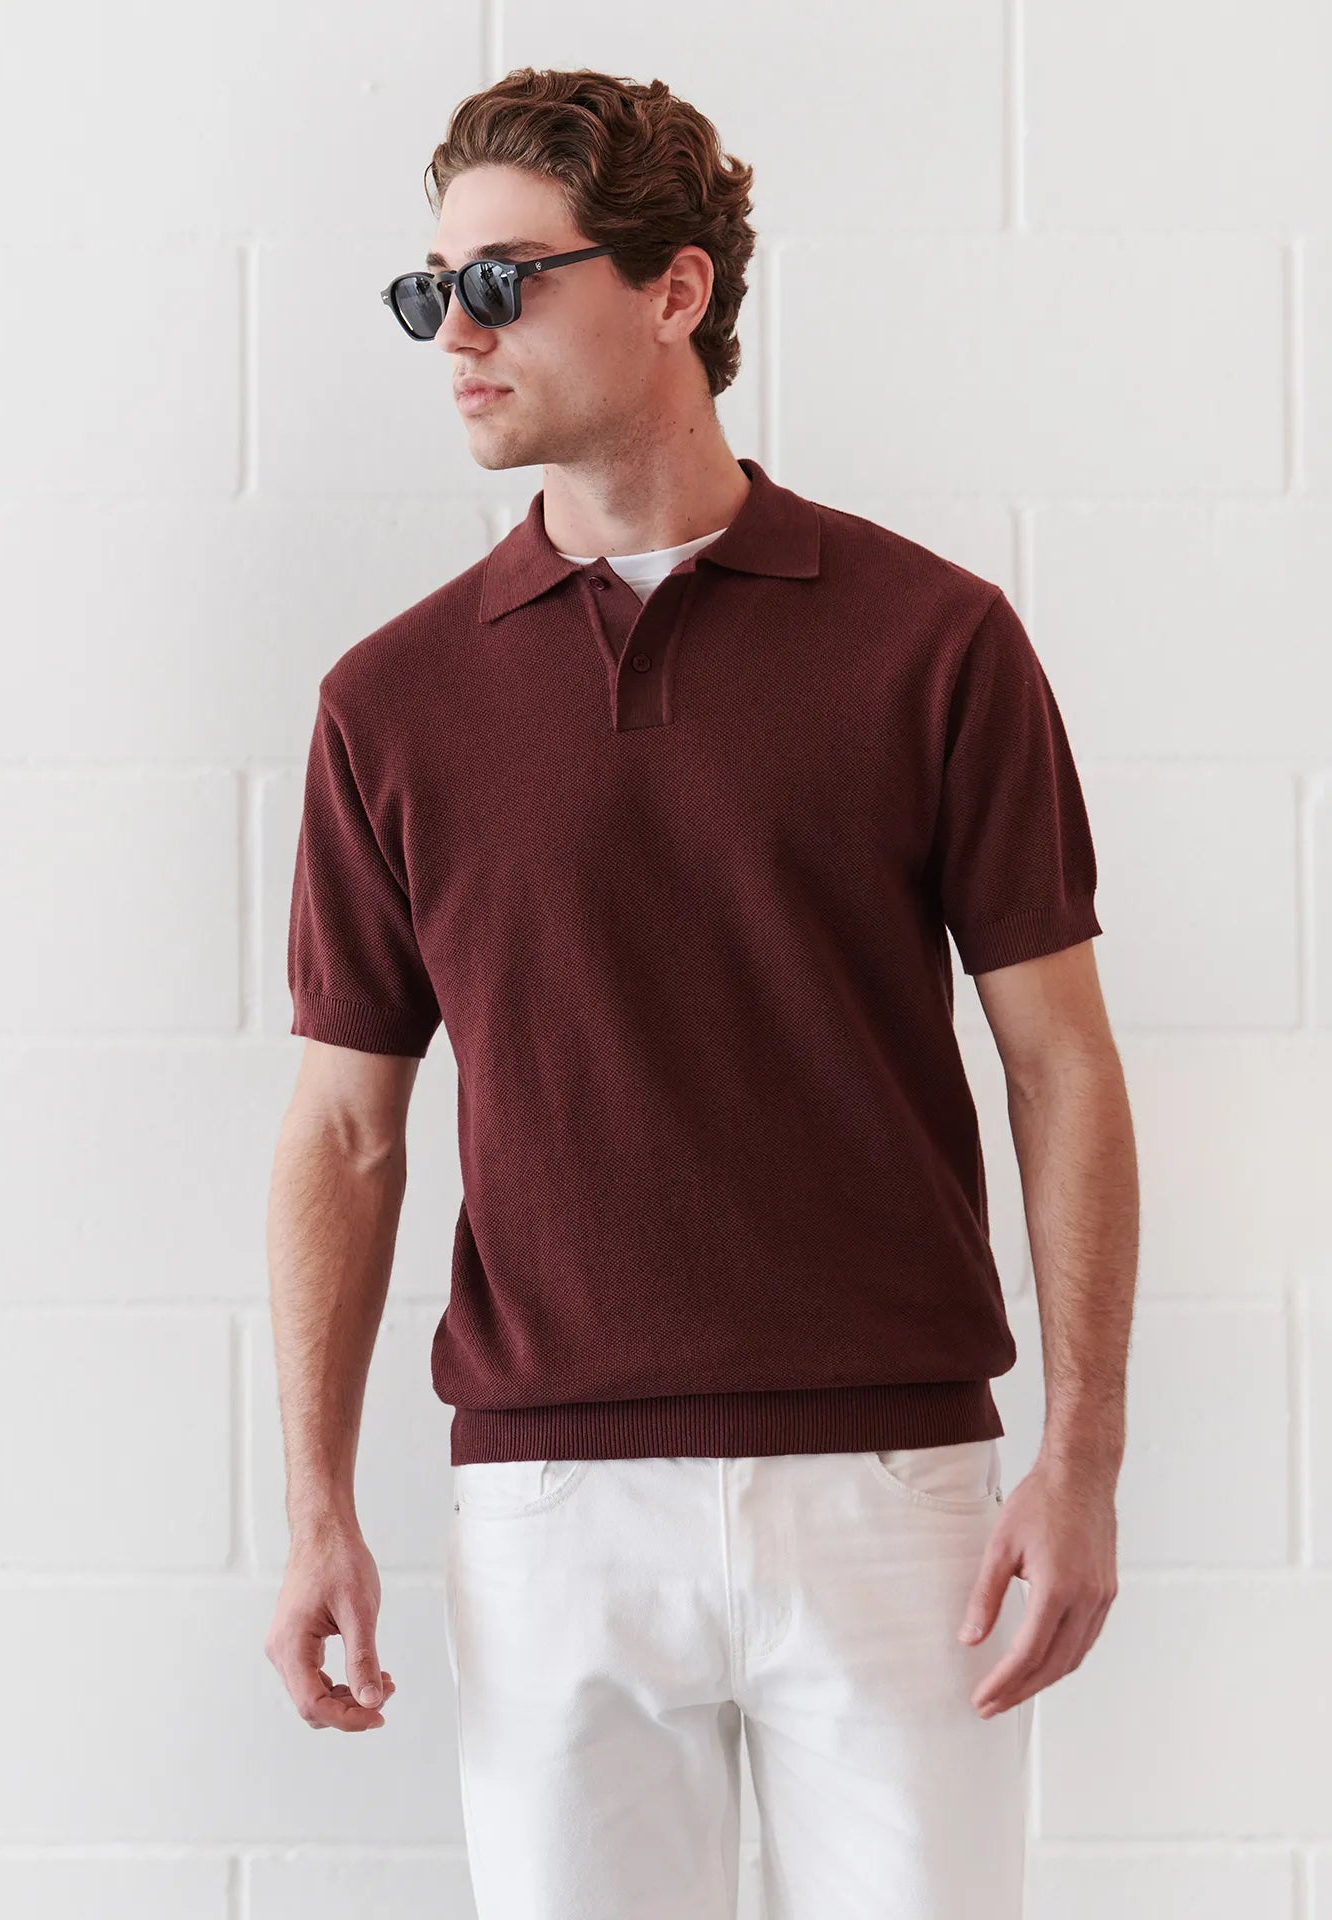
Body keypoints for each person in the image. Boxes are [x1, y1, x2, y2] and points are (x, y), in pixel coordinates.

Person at [263, 65, 1136, 1920]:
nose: (454, 336)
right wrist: (317, 1503)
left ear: (676, 290)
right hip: (550, 1513)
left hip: (896, 1493)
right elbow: (344, 1132)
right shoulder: (389, 703)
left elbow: (1060, 1065)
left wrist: (1083, 1459)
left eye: (500, 282)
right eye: (430, 291)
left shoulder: (934, 643)